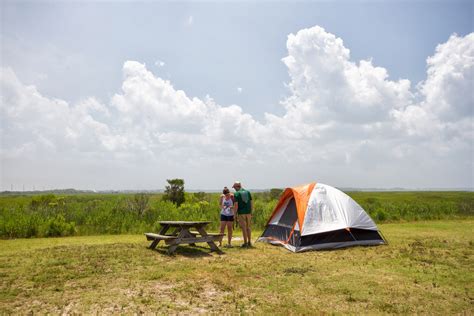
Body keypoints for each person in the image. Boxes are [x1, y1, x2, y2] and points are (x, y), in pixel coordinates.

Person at [232, 181, 254, 247]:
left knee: (244, 228)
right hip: (249, 213)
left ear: (237, 187)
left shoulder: (236, 194)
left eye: (234, 187)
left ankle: (245, 243)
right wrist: (251, 212)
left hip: (241, 213)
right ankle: (249, 242)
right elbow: (251, 203)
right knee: (249, 227)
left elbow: (236, 205)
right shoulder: (248, 192)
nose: (234, 189)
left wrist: (235, 215)